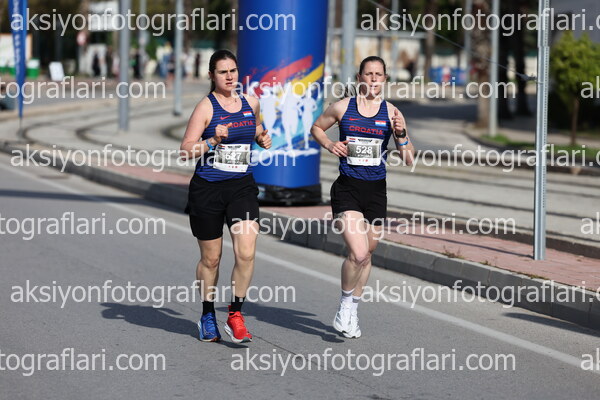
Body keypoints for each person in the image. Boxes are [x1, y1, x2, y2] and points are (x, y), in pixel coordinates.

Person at [311, 56, 415, 338]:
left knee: (367, 255)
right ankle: (345, 305)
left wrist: (401, 134)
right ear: (359, 78)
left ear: (385, 79)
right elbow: (316, 128)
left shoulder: (392, 113)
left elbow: (408, 158)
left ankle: (353, 311)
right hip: (347, 188)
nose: (373, 79)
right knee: (357, 253)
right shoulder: (343, 107)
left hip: (376, 191)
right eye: (368, 74)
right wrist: (330, 144)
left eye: (378, 74)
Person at [180, 49, 272, 343]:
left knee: (246, 251)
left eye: (233, 70)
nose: (230, 76)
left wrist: (262, 137)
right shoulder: (205, 108)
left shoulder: (251, 102)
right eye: (223, 72)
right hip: (208, 189)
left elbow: (256, 128)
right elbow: (186, 150)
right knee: (211, 259)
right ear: (212, 75)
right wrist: (212, 140)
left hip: (241, 187)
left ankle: (235, 314)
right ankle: (208, 314)